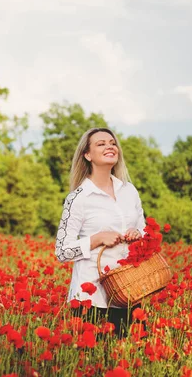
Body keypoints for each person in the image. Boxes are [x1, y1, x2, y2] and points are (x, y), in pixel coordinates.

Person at [55, 127, 146, 338]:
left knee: (131, 360)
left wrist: (137, 233)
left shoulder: (129, 191)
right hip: (92, 297)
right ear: (87, 155)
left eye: (112, 143)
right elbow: (62, 251)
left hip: (128, 292)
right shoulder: (78, 198)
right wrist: (96, 239)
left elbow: (145, 230)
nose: (109, 146)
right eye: (101, 143)